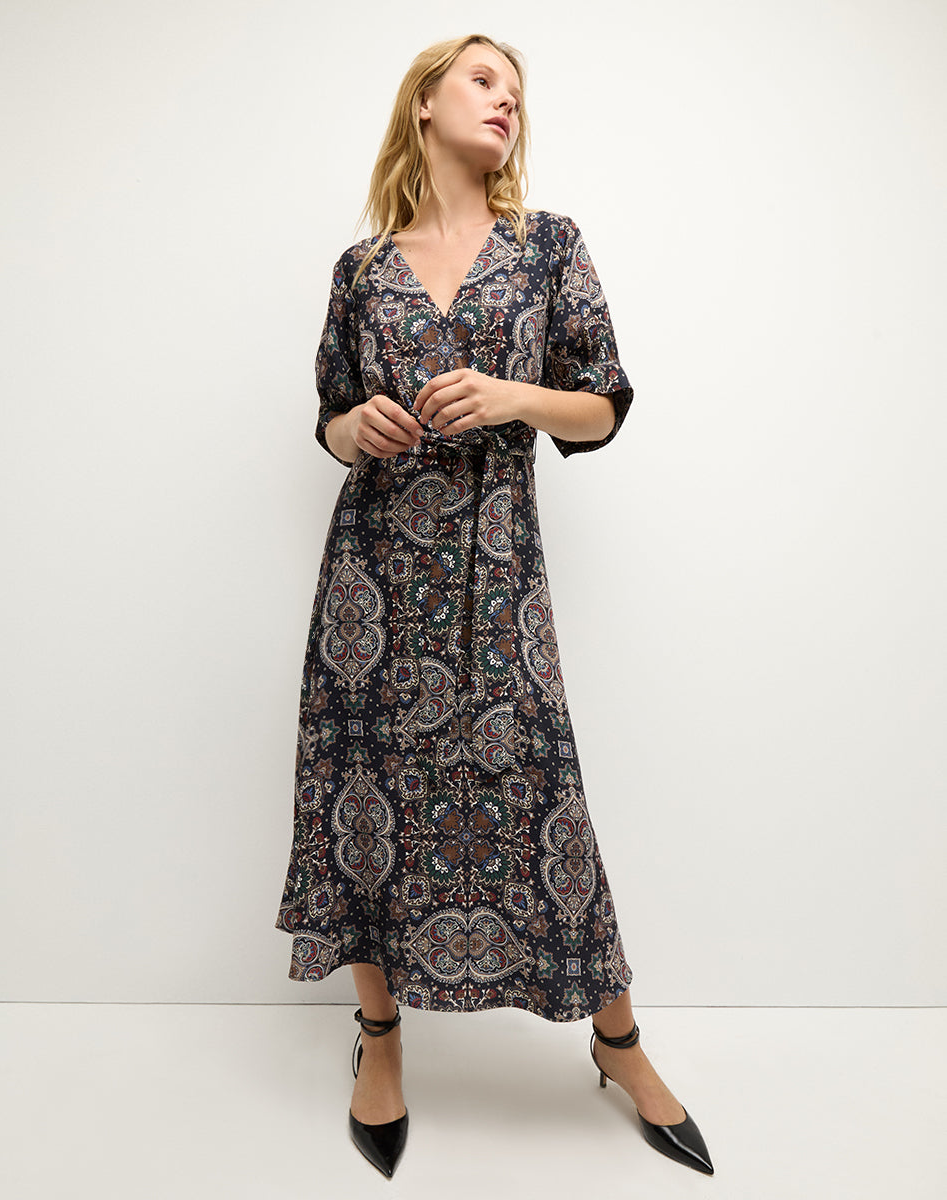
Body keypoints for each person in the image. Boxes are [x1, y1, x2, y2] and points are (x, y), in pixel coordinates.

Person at [274, 33, 714, 1180]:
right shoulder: (361, 269)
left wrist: (512, 395)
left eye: (514, 89)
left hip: (495, 572)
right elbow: (328, 415)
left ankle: (614, 1042)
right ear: (422, 103)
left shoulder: (545, 244)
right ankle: (379, 1037)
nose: (504, 98)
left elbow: (603, 404)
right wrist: (355, 426)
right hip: (371, 583)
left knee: (542, 799)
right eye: (480, 79)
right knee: (363, 796)